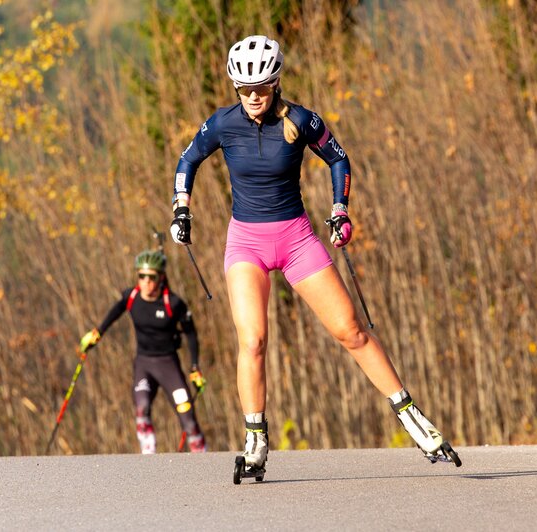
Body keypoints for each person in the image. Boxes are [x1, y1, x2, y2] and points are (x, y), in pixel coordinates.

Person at [168, 35, 458, 473]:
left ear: (276, 82)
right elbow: (187, 162)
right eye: (245, 90)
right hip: (246, 242)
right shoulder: (223, 124)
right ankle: (255, 443)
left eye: (261, 88)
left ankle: (414, 420)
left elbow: (339, 160)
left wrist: (340, 209)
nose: (252, 97)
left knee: (351, 332)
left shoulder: (302, 120)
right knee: (253, 340)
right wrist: (182, 209)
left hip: (297, 239)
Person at [78, 250, 207, 454]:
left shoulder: (173, 303)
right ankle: (149, 458)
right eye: (141, 276)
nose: (146, 282)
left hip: (168, 364)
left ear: (161, 277)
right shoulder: (131, 297)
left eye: (151, 277)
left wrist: (194, 367)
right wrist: (96, 334)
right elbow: (114, 314)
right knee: (142, 407)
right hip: (144, 364)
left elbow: (191, 334)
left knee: (188, 418)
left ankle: (201, 456)